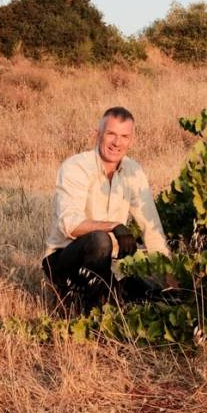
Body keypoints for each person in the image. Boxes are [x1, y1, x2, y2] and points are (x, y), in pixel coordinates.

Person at [42, 106, 170, 311]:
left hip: (108, 265)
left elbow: (152, 230)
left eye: (124, 136)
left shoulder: (134, 171)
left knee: (156, 299)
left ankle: (106, 298)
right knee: (100, 239)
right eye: (111, 134)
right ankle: (84, 308)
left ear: (132, 141)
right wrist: (114, 226)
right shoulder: (76, 166)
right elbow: (70, 225)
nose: (117, 143)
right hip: (65, 260)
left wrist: (172, 284)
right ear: (97, 135)